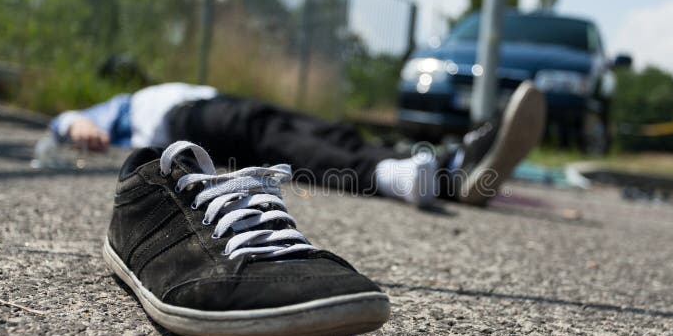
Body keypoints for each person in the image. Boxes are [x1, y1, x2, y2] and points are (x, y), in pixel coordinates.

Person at [45, 80, 545, 207]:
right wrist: (74, 124)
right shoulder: (121, 104)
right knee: (272, 137)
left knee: (322, 132)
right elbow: (70, 119)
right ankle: (396, 177)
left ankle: (451, 168)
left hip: (223, 104)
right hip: (185, 124)